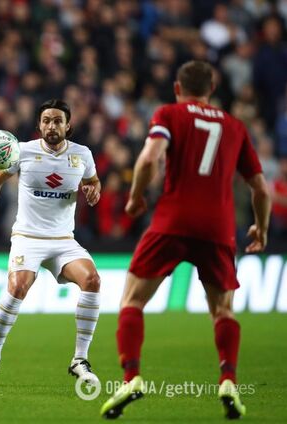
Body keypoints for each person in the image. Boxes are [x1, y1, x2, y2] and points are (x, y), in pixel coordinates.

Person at [100, 61, 271, 420]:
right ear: (211, 89)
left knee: (132, 301)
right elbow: (260, 188)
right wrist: (261, 227)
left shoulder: (170, 113)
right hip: (218, 227)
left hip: (172, 220)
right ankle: (227, 380)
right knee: (223, 310)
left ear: (177, 88)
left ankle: (131, 377)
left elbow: (149, 157)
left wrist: (135, 197)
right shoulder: (235, 126)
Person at [0, 99, 103, 388]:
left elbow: (94, 181)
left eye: (57, 121)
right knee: (18, 287)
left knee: (92, 280)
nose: (51, 126)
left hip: (63, 240)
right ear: (39, 125)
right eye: (46, 120)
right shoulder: (23, 151)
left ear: (68, 126)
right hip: (28, 239)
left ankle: (80, 359)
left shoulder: (82, 154)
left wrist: (94, 191)